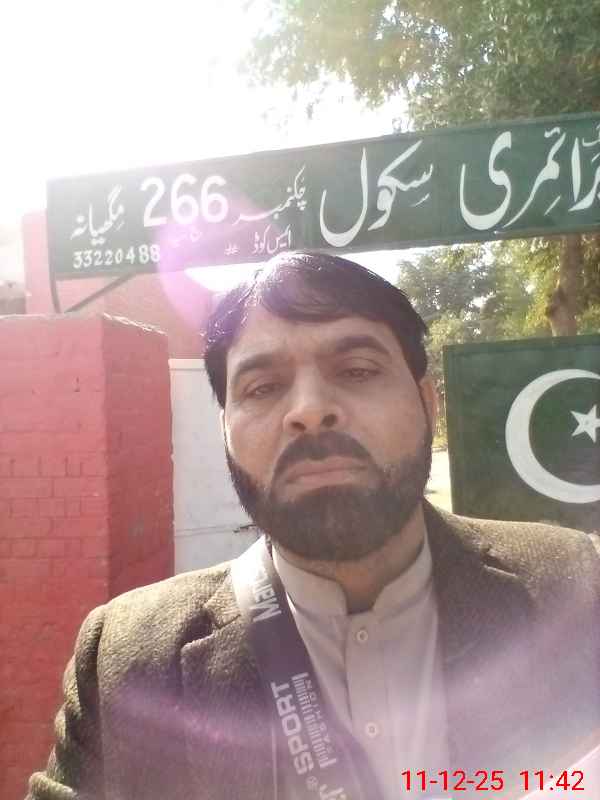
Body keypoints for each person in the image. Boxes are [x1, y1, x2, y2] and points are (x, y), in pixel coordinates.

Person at [27, 252, 600, 800]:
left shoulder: (579, 587)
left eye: (357, 370)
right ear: (225, 429)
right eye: (262, 387)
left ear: (429, 404)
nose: (308, 409)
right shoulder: (125, 659)